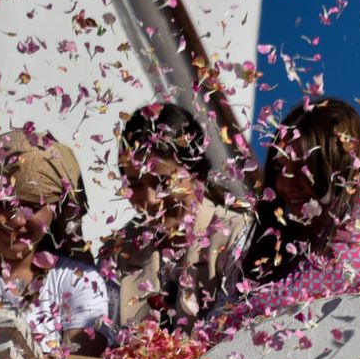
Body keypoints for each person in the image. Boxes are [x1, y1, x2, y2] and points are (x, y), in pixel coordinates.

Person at [210, 96, 360, 337]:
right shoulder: (306, 234)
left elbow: (291, 299)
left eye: (302, 169)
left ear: (340, 167)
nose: (285, 184)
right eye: (279, 169)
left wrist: (217, 330)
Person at [0, 129, 110, 359]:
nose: (16, 220)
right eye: (2, 204)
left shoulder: (79, 282)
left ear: (57, 210)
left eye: (31, 206)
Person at [101, 102, 250, 333]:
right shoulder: (119, 250)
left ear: (197, 175)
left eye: (162, 182)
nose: (150, 199)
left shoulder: (234, 237)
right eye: (136, 185)